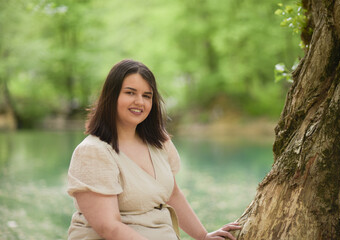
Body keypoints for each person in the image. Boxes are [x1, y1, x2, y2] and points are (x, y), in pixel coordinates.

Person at [67, 59, 241, 240]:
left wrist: (204, 236)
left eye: (147, 96)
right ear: (111, 96)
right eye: (130, 92)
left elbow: (173, 195)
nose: (139, 102)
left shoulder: (159, 142)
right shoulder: (93, 152)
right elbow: (109, 227)